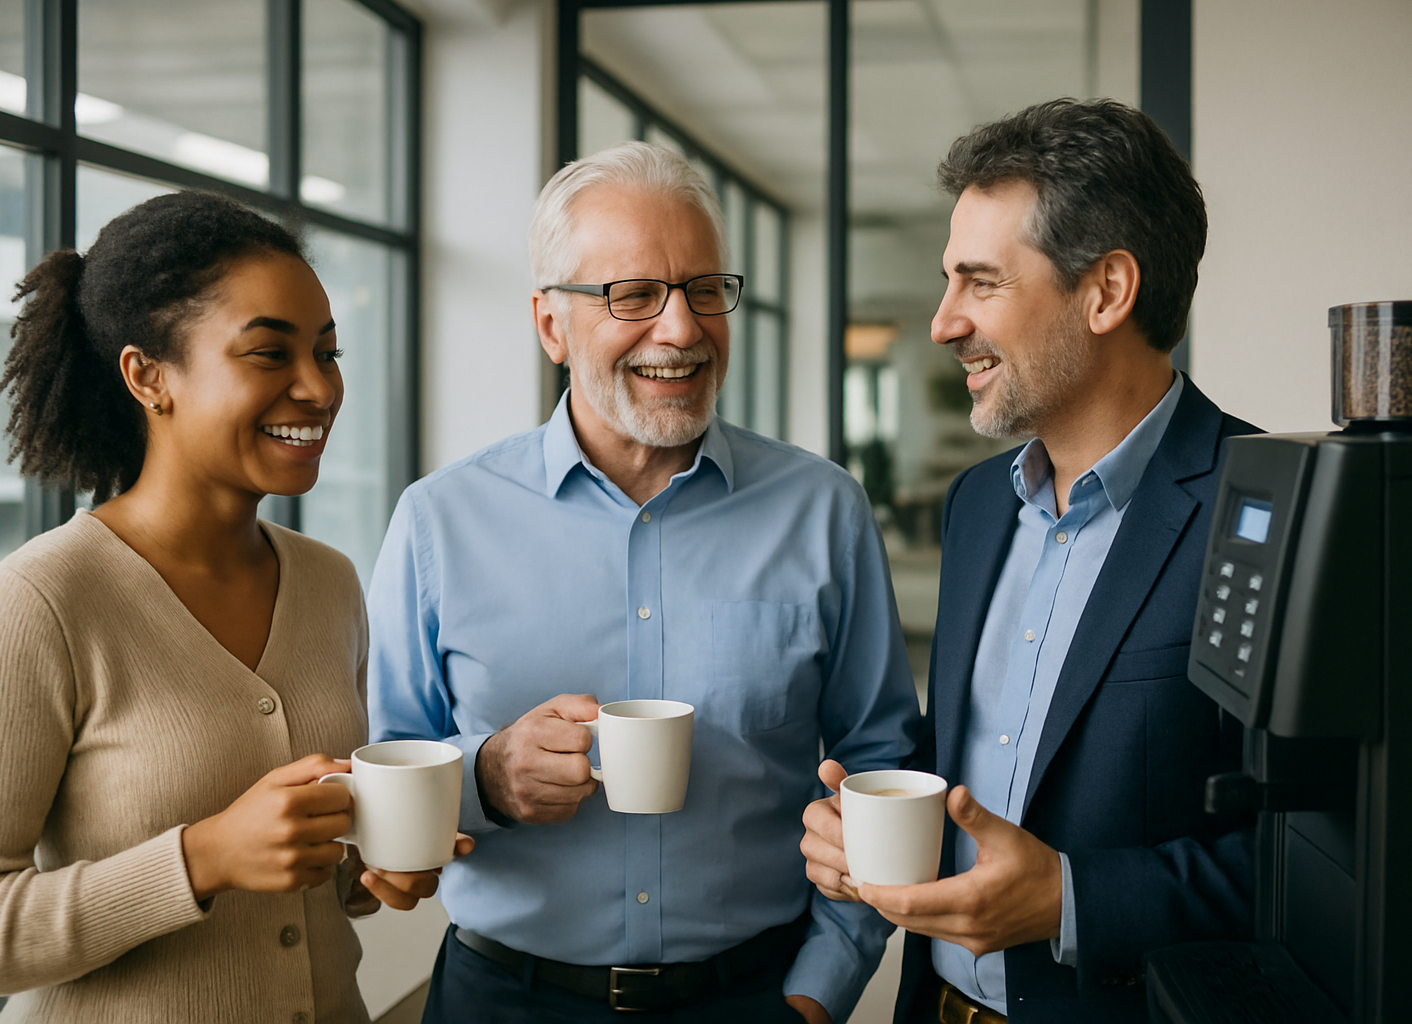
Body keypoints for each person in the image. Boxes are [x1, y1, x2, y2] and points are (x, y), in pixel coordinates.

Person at [367, 142, 919, 1024]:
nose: (682, 328)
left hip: (754, 996)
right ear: (551, 324)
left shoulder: (824, 510)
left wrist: (818, 994)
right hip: (502, 999)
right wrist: (489, 777)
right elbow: (390, 767)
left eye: (705, 289)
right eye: (633, 295)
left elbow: (883, 768)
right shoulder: (439, 521)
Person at [0, 191, 460, 1022]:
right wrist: (202, 858)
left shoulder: (329, 582)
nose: (318, 389)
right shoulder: (44, 599)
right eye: (269, 354)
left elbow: (313, 880)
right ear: (148, 376)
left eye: (328, 354)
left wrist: (369, 872)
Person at [799, 99, 1260, 1023]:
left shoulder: (1260, 514)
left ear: (1106, 292)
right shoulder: (977, 506)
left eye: (980, 282)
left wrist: (1070, 897)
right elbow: (987, 756)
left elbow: (1337, 860)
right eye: (947, 281)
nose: (941, 322)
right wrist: (878, 818)